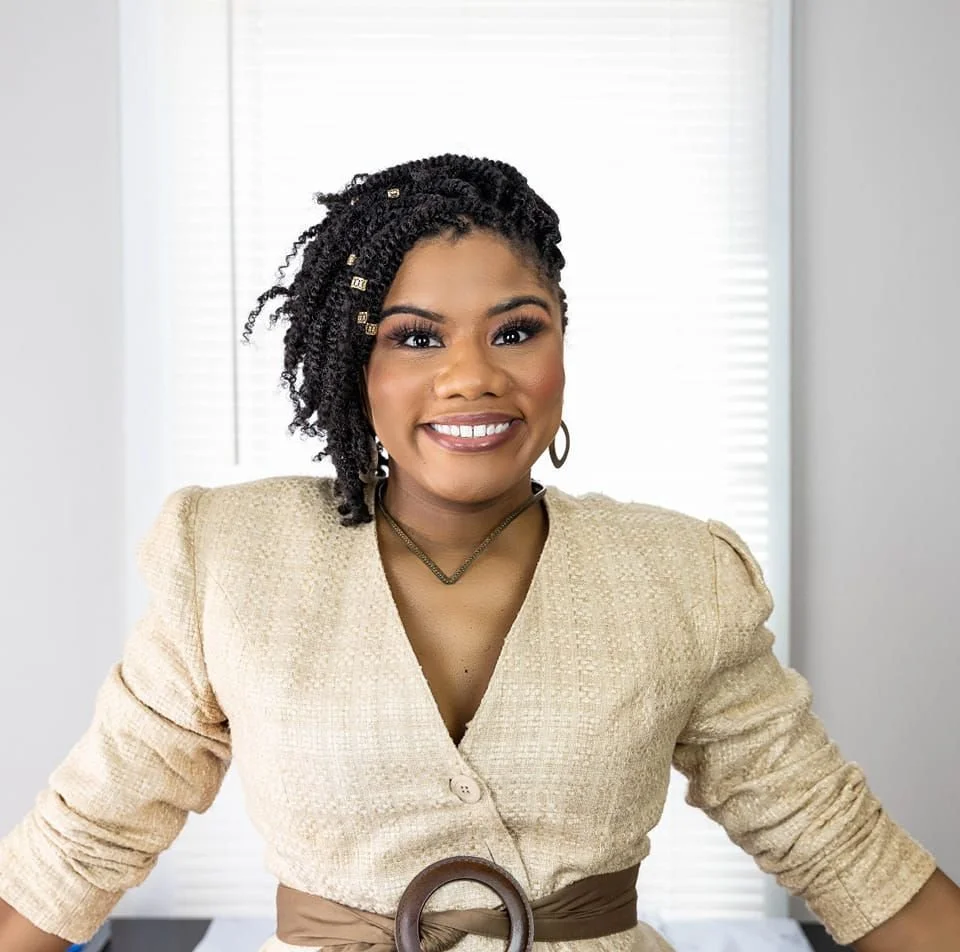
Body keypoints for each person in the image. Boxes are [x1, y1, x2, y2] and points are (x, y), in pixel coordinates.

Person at [1, 155, 958, 952]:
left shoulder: (677, 574)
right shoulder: (232, 557)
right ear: (354, 369)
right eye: (417, 337)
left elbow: (833, 842)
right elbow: (85, 840)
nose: (474, 377)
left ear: (561, 350)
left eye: (515, 331)